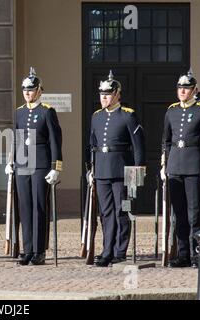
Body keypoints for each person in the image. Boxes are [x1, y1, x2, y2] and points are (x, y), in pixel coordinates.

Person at [5, 67, 63, 265]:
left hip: (41, 163)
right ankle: (27, 249)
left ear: (39, 90)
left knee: (39, 206)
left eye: (31, 89)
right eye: (25, 90)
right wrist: (11, 161)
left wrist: (56, 166)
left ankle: (39, 250)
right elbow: (16, 139)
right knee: (25, 206)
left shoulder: (47, 112)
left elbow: (55, 141)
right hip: (22, 163)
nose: (27, 93)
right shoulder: (19, 113)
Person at [87, 70, 145, 267]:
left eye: (108, 93)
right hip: (102, 170)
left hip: (122, 170)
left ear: (117, 94)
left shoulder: (128, 116)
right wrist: (90, 168)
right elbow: (92, 144)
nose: (104, 97)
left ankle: (120, 251)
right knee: (105, 212)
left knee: (122, 210)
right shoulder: (96, 117)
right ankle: (107, 250)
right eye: (102, 94)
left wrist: (137, 173)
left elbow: (138, 146)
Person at [160, 69, 200, 268]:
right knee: (178, 213)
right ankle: (183, 254)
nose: (182, 91)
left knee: (194, 212)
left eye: (186, 88)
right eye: (180, 88)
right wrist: (164, 164)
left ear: (194, 90)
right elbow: (166, 140)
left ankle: (197, 255)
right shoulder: (171, 111)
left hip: (194, 165)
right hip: (175, 165)